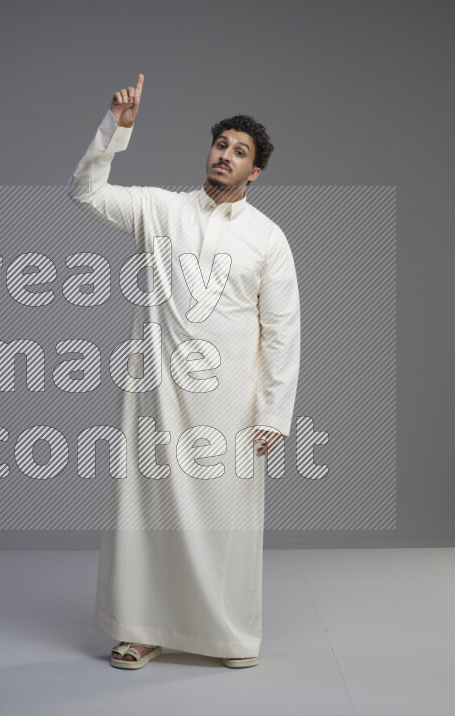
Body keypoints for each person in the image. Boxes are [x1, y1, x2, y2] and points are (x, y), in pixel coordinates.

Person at [68, 74, 300, 669]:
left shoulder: (268, 239)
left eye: (239, 151)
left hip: (231, 403)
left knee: (226, 521)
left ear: (255, 173)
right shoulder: (161, 210)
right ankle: (141, 629)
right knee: (147, 514)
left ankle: (227, 634)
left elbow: (281, 331)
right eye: (221, 143)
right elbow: (86, 192)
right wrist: (115, 130)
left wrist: (274, 411)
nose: (225, 154)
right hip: (156, 394)